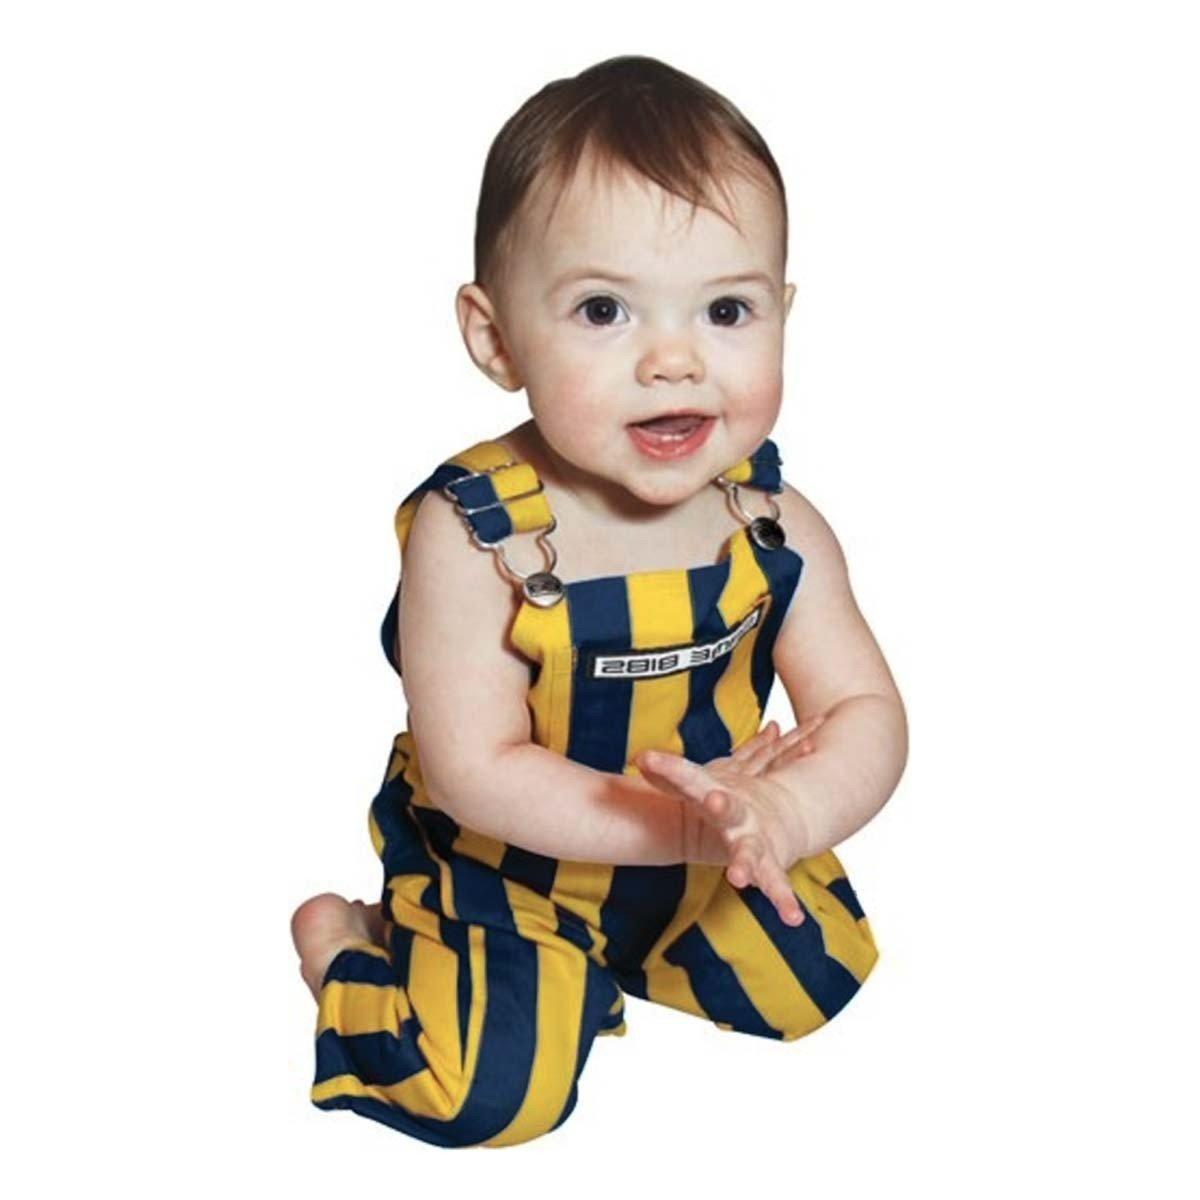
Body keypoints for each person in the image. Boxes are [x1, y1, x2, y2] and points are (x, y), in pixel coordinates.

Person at [291, 54, 908, 1149]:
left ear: (784, 312)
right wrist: (678, 826)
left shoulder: (773, 522)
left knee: (819, 979)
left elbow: (865, 710)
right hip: (507, 864)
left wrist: (784, 816)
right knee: (493, 1100)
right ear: (496, 338)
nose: (673, 361)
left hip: (704, 846)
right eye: (604, 310)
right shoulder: (473, 536)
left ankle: (613, 962)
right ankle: (351, 950)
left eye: (727, 309)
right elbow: (474, 770)